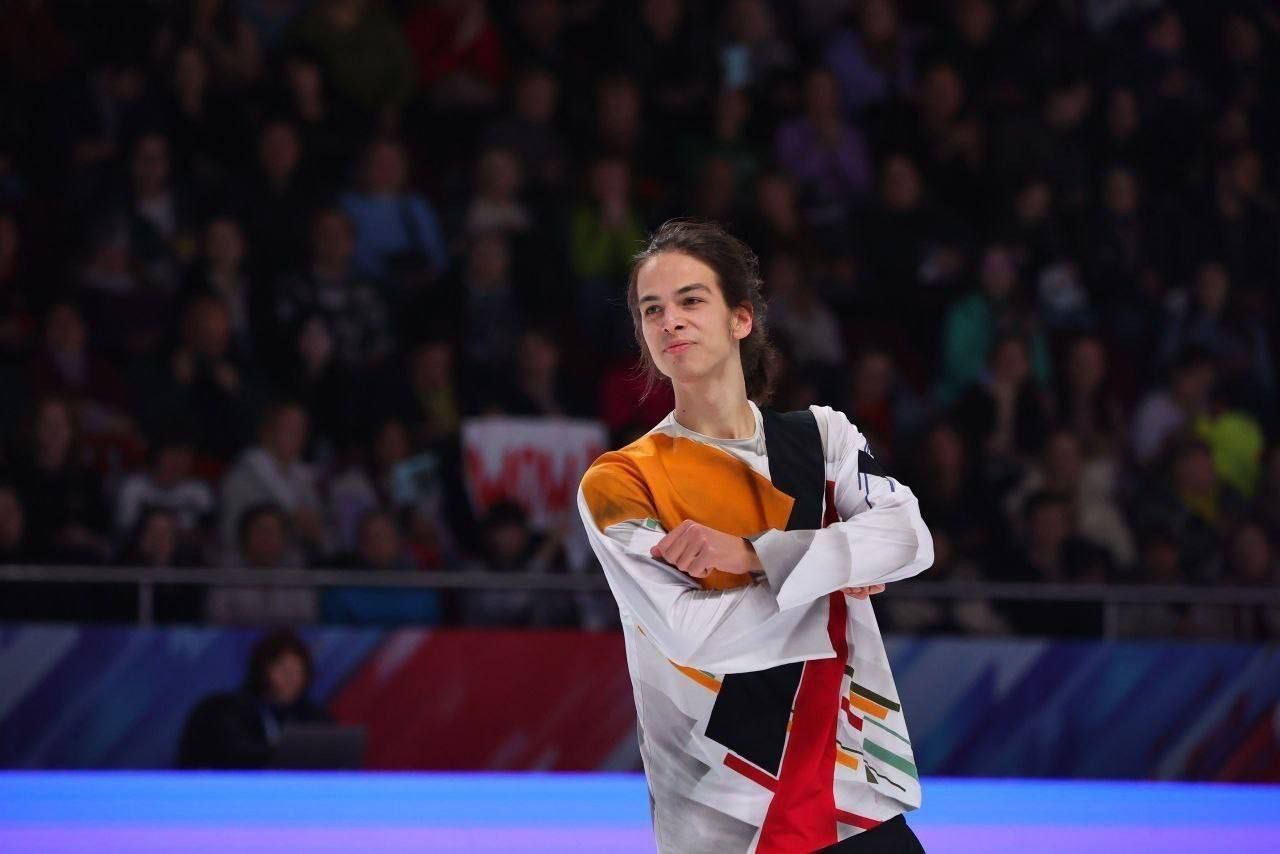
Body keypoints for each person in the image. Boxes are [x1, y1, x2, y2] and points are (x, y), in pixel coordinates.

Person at [577, 220, 931, 853]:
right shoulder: (621, 480)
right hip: (726, 819)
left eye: (690, 300)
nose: (669, 320)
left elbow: (909, 538)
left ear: (741, 318)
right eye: (651, 309)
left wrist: (754, 555)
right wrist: (838, 573)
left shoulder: (822, 437)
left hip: (851, 798)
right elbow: (693, 634)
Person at [178, 628, 330, 768]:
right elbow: (237, 755)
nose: (291, 679)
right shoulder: (230, 711)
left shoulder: (311, 714)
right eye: (284, 671)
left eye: (299, 672)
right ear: (263, 670)